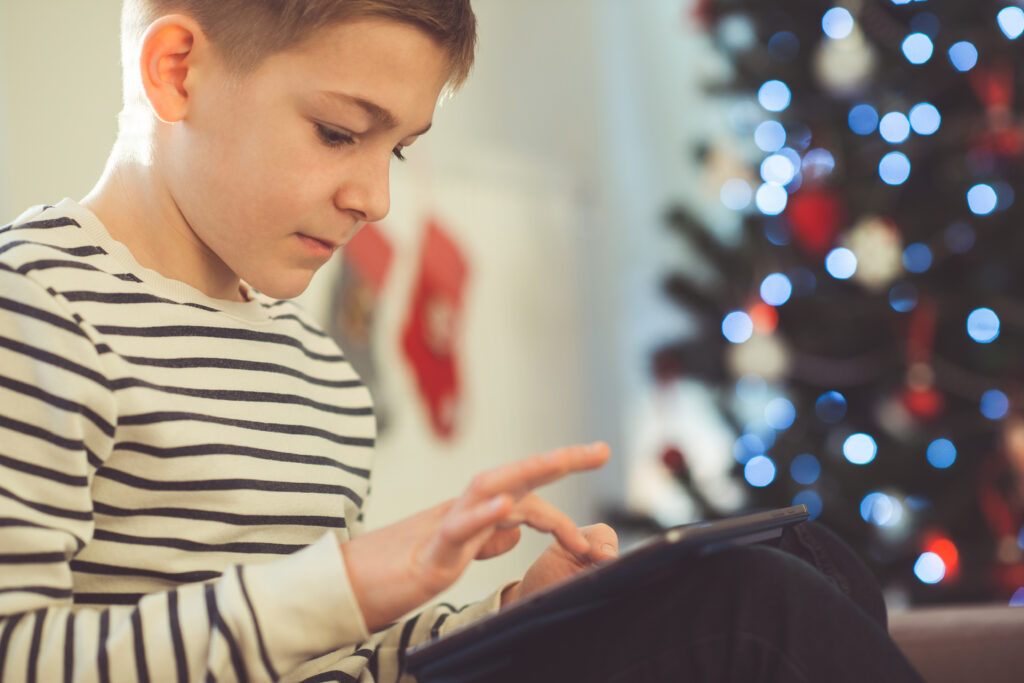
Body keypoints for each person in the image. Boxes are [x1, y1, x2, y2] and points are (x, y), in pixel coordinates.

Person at [0, 1, 924, 681]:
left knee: (808, 563)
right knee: (753, 612)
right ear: (177, 71)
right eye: (338, 133)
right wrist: (354, 577)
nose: (375, 196)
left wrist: (509, 613)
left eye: (394, 148)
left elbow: (333, 658)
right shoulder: (35, 306)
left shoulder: (318, 375)